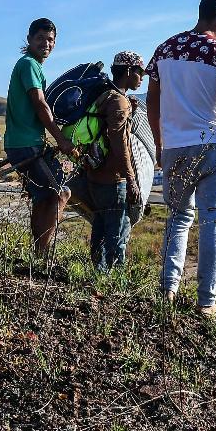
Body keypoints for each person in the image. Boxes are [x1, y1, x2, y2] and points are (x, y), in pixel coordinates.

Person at [147, 0, 216, 319]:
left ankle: (168, 290)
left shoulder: (165, 49)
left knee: (178, 219)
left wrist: (160, 143)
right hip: (212, 145)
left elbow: (152, 100)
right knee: (212, 222)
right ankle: (207, 302)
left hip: (175, 148)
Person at [4, 18, 76, 256]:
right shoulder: (29, 65)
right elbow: (40, 104)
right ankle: (42, 255)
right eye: (40, 38)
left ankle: (36, 255)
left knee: (42, 198)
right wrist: (61, 140)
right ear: (29, 39)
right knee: (61, 193)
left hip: (19, 143)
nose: (46, 44)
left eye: (50, 40)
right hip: (27, 144)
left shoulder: (30, 65)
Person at [68, 51, 145, 271]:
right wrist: (131, 180)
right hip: (113, 180)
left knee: (100, 230)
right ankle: (115, 281)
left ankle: (98, 275)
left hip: (95, 177)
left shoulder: (105, 96)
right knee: (117, 236)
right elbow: (119, 144)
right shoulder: (118, 101)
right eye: (140, 72)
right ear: (128, 71)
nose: (142, 78)